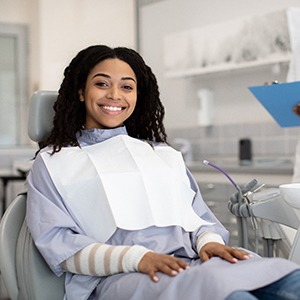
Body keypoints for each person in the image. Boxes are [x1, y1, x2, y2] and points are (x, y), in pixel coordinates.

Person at [26, 45, 300, 300]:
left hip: (197, 263)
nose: (115, 95)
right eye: (101, 84)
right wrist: (137, 258)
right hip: (123, 276)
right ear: (81, 92)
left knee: (292, 281)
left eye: (127, 87)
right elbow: (60, 245)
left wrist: (209, 243)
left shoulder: (162, 154)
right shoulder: (54, 162)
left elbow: (200, 219)